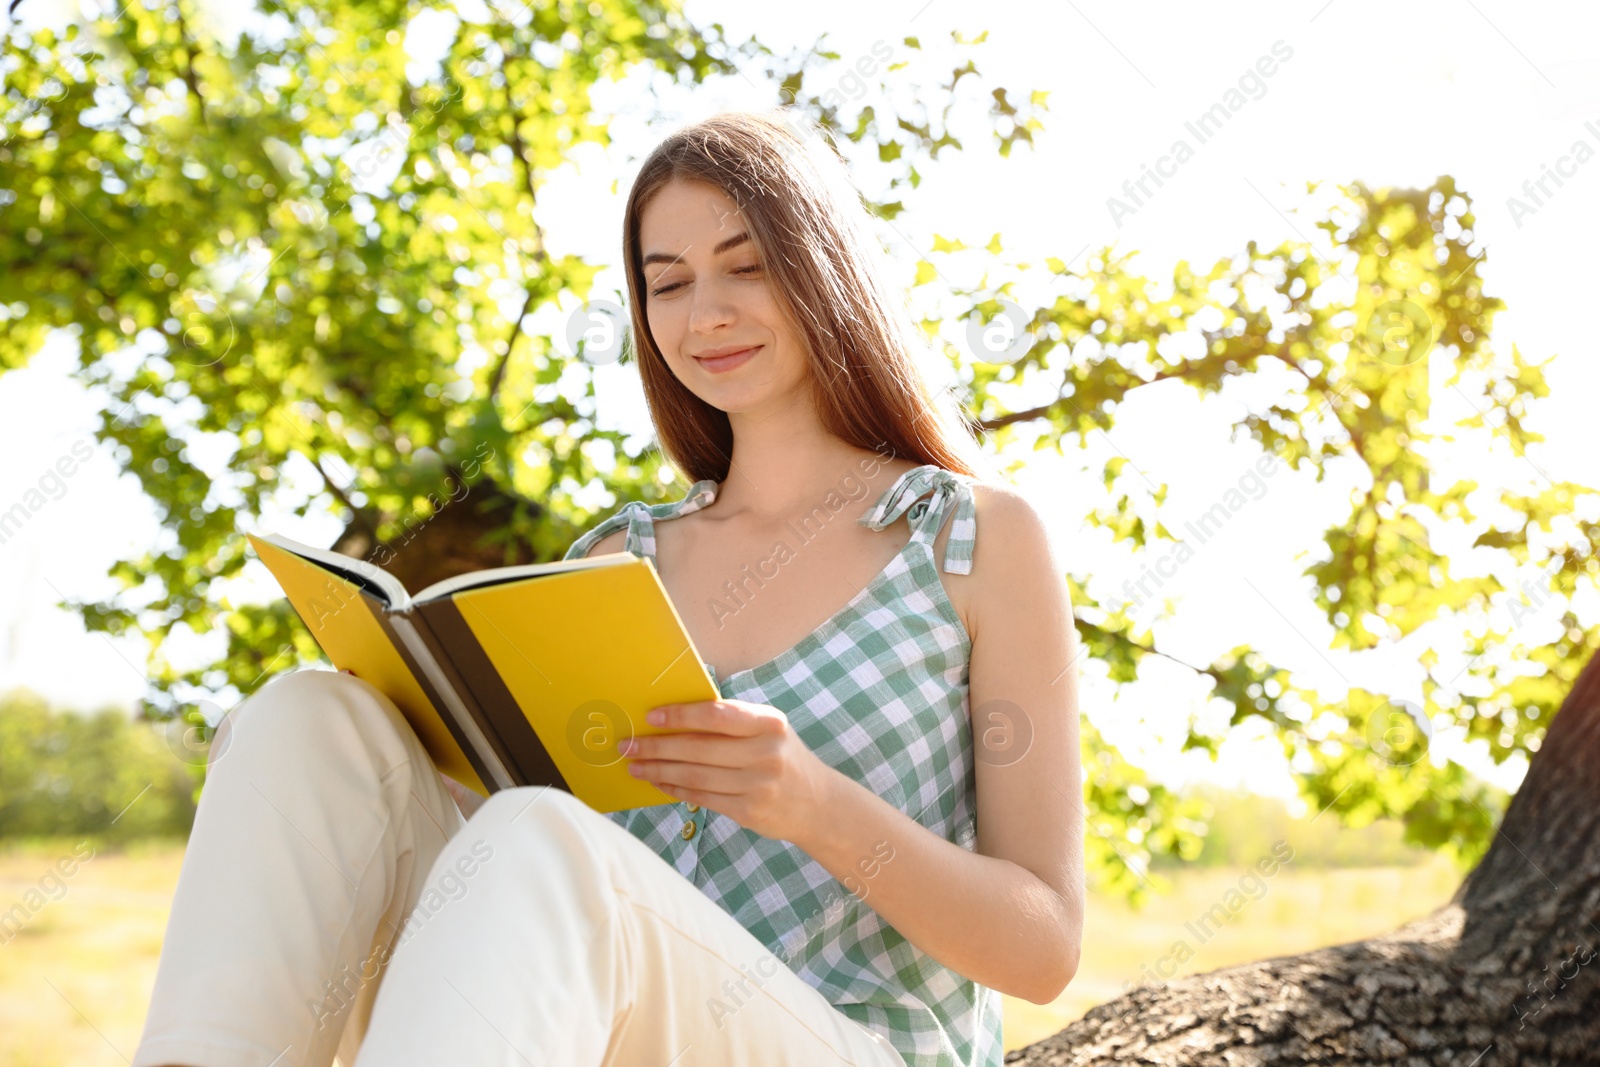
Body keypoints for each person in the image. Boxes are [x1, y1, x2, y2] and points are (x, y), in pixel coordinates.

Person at [133, 109, 1084, 1067]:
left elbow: (1044, 947)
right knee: (312, 716)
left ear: (822, 265)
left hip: (857, 1046)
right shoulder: (612, 562)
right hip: (598, 1028)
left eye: (744, 265)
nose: (703, 312)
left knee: (542, 837)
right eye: (666, 283)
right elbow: (514, 879)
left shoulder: (971, 537)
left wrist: (812, 804)